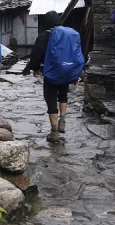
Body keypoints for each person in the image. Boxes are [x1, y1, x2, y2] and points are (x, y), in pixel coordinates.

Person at [24, 11, 79, 143]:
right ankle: (62, 121)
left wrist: (35, 68)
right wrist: (76, 73)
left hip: (51, 73)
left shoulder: (45, 36)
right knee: (63, 95)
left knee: (51, 99)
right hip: (66, 71)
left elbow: (37, 54)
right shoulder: (68, 34)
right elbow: (76, 53)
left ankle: (54, 132)